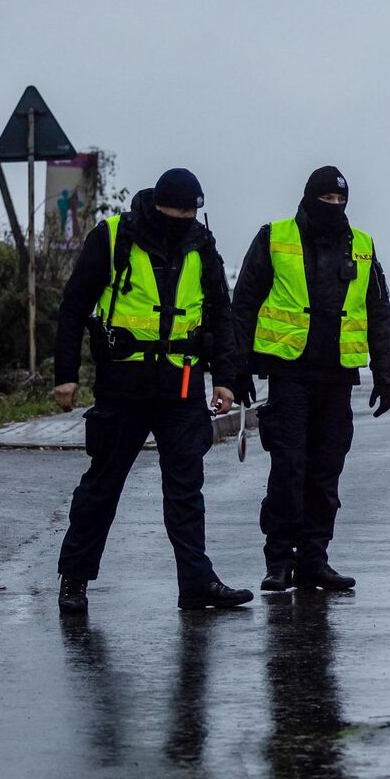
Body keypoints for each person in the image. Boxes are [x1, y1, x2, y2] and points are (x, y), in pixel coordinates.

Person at [52, 168, 254, 615]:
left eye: (192, 212)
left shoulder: (202, 245)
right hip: (122, 388)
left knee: (186, 491)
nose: (185, 218)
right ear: (158, 205)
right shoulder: (112, 237)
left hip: (181, 389)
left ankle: (197, 585)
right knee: (102, 487)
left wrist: (225, 379)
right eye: (178, 211)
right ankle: (74, 580)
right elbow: (74, 306)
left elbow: (221, 315)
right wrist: (65, 373)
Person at [228, 166, 390, 592]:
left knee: (326, 472)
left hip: (338, 378)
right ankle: (279, 562)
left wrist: (386, 372)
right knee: (289, 467)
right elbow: (244, 304)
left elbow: (377, 311)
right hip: (289, 374)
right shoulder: (275, 237)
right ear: (309, 198)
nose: (335, 208)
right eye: (327, 200)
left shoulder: (361, 246)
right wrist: (237, 368)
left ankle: (314, 559)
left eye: (341, 201)